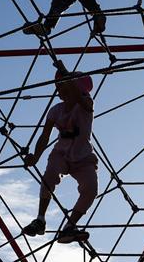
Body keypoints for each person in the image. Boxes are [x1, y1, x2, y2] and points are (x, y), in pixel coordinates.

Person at [22, 70, 98, 243]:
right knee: (49, 176)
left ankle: (70, 226)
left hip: (83, 156)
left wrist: (64, 72)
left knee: (90, 189)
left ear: (77, 89)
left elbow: (80, 98)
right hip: (61, 154)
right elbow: (45, 136)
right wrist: (36, 157)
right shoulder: (56, 110)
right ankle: (40, 219)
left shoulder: (86, 103)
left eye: (64, 86)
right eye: (59, 87)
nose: (60, 90)